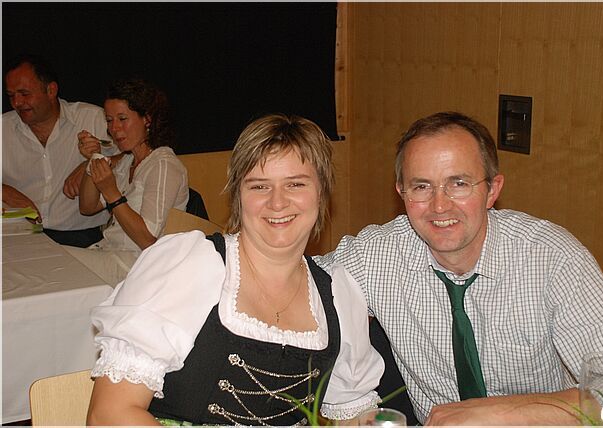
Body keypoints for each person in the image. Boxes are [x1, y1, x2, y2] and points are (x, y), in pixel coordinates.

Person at [314, 111, 603, 425]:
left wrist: (495, 413)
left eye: (459, 183)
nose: (440, 205)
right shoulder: (377, 254)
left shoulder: (552, 259)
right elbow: (297, 284)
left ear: (492, 190)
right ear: (401, 192)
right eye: (422, 186)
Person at [86, 113, 384, 425]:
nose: (277, 202)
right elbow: (109, 415)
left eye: (295, 184)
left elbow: (354, 412)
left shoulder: (336, 294)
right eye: (260, 186)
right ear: (238, 196)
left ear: (321, 193)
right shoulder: (189, 265)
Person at [67, 77, 189, 286]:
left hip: (139, 265)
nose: (114, 128)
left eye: (122, 118)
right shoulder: (127, 161)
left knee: (55, 262)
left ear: (147, 119)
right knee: (48, 258)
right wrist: (94, 159)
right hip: (110, 253)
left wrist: (112, 193)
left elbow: (148, 240)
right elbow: (87, 207)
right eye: (109, 120)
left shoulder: (163, 165)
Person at [2, 53, 110, 247]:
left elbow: (135, 156)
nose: (17, 102)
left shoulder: (92, 118)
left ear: (51, 90)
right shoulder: (4, 128)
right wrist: (5, 192)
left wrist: (89, 165)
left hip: (82, 236)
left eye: (24, 94)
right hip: (19, 235)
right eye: (11, 96)